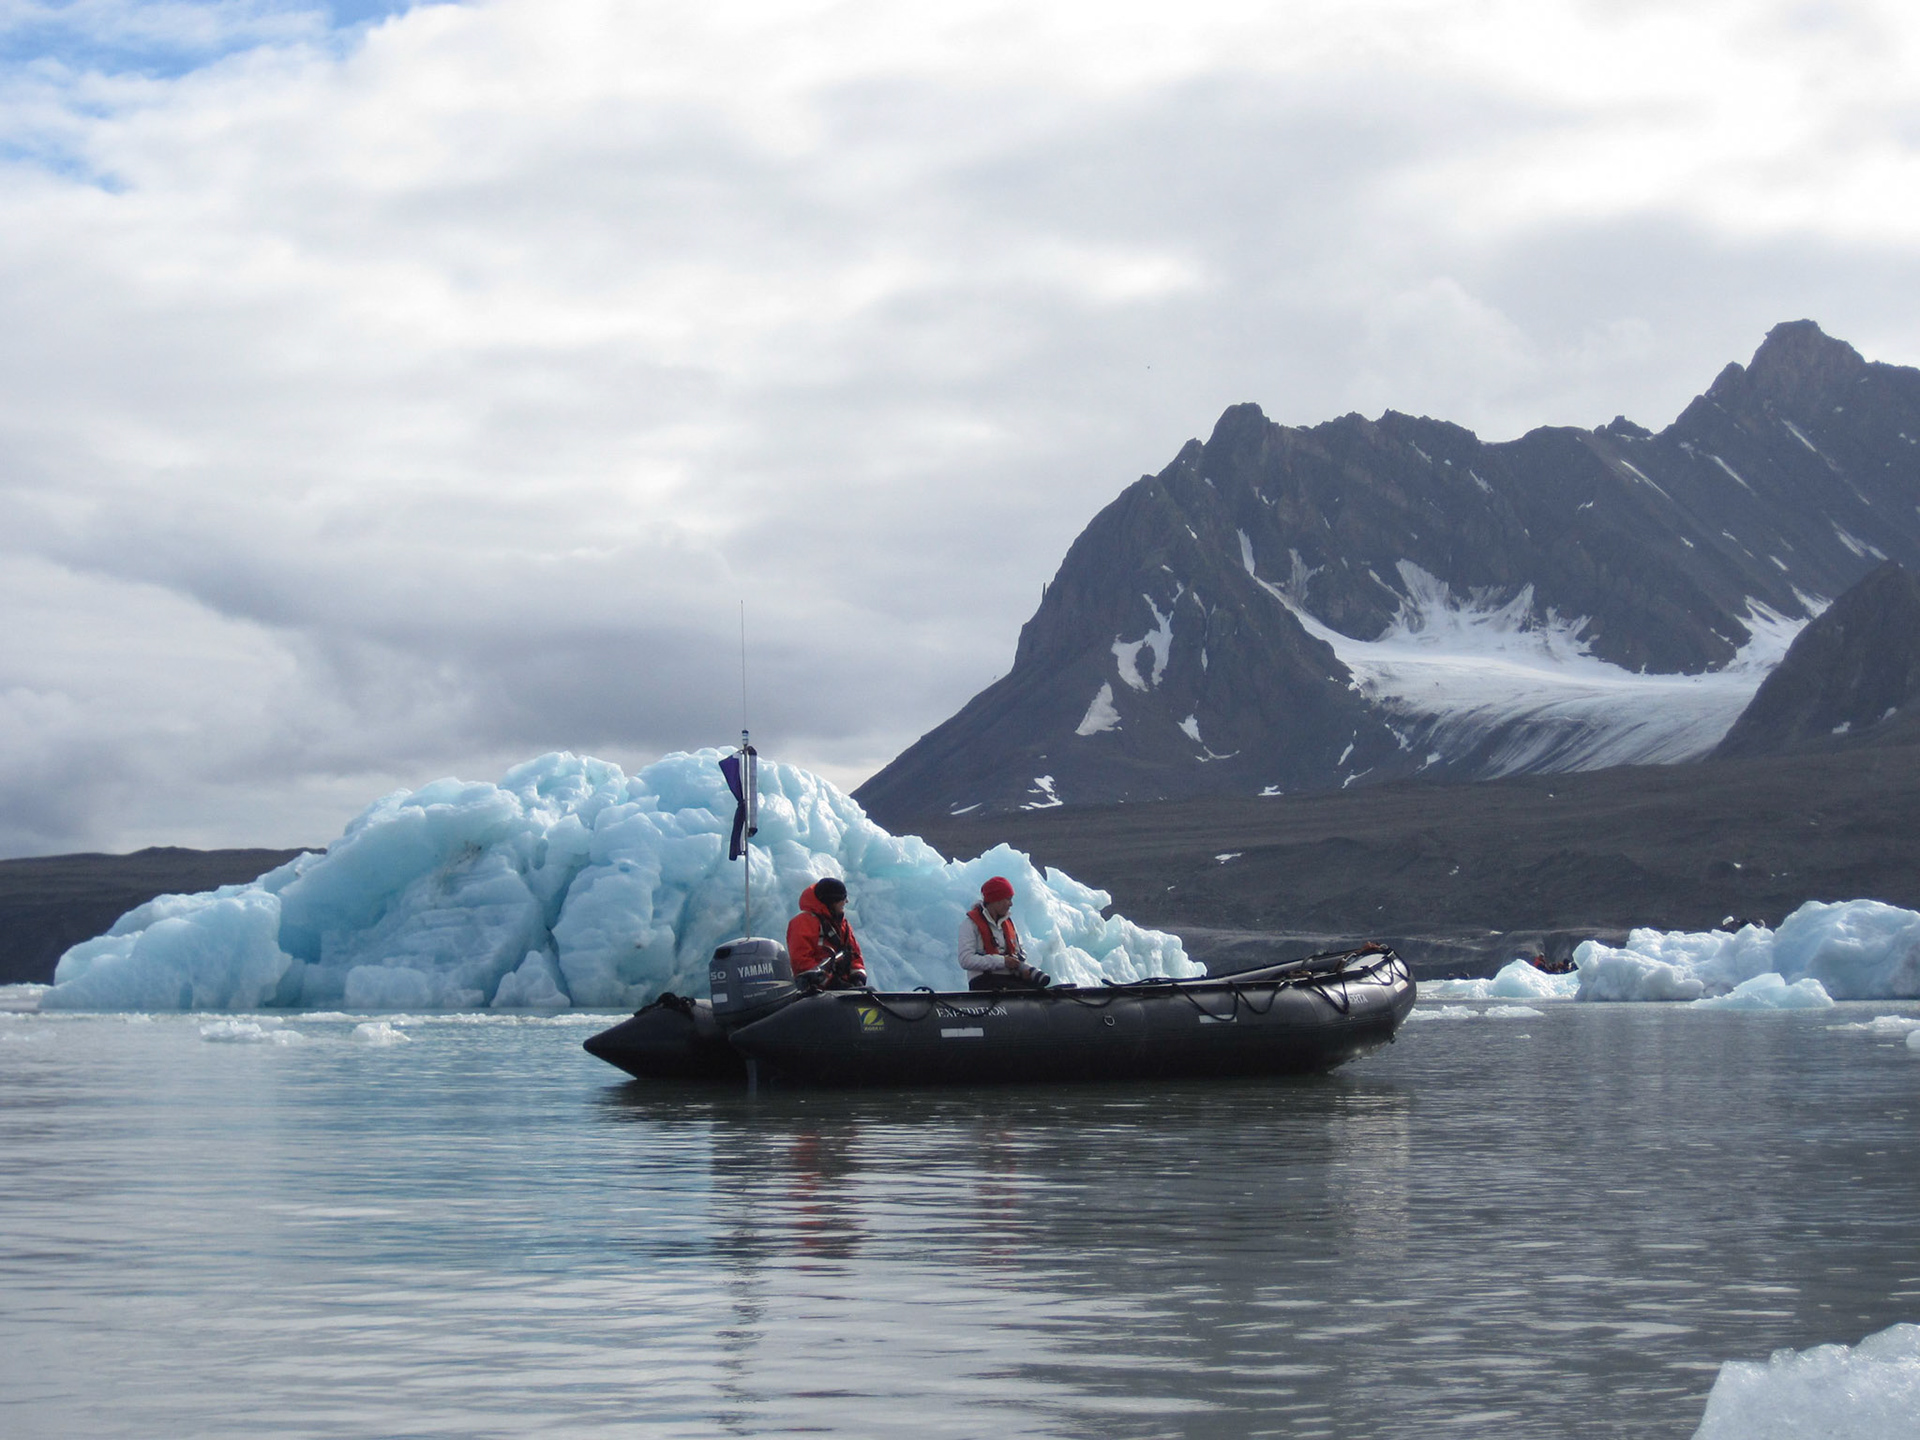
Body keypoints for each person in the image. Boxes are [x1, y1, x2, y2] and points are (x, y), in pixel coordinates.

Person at [959, 877, 1051, 991]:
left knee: (1039, 991)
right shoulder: (970, 924)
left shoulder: (1008, 923)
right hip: (984, 981)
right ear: (996, 899)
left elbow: (1019, 953)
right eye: (1008, 899)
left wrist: (1022, 970)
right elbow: (965, 960)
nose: (1011, 904)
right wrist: (1003, 961)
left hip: (1010, 979)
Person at [786, 877, 868, 990]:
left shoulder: (842, 924)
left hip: (843, 991)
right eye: (842, 898)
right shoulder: (803, 923)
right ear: (831, 902)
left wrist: (857, 978)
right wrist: (831, 983)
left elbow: (854, 954)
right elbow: (801, 962)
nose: (846, 901)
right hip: (815, 993)